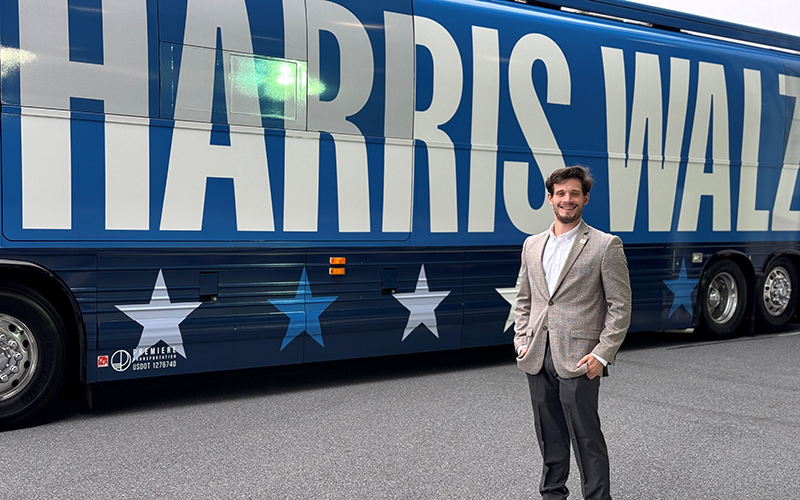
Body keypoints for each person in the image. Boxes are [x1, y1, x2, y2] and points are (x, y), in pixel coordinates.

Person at [514, 165, 631, 500]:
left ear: (585, 199)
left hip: (580, 359)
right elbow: (525, 298)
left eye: (574, 194)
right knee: (549, 433)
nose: (567, 199)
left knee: (586, 437)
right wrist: (521, 340)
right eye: (561, 193)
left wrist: (601, 355)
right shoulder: (532, 245)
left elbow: (620, 306)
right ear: (550, 198)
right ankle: (552, 495)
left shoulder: (605, 245)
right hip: (537, 355)